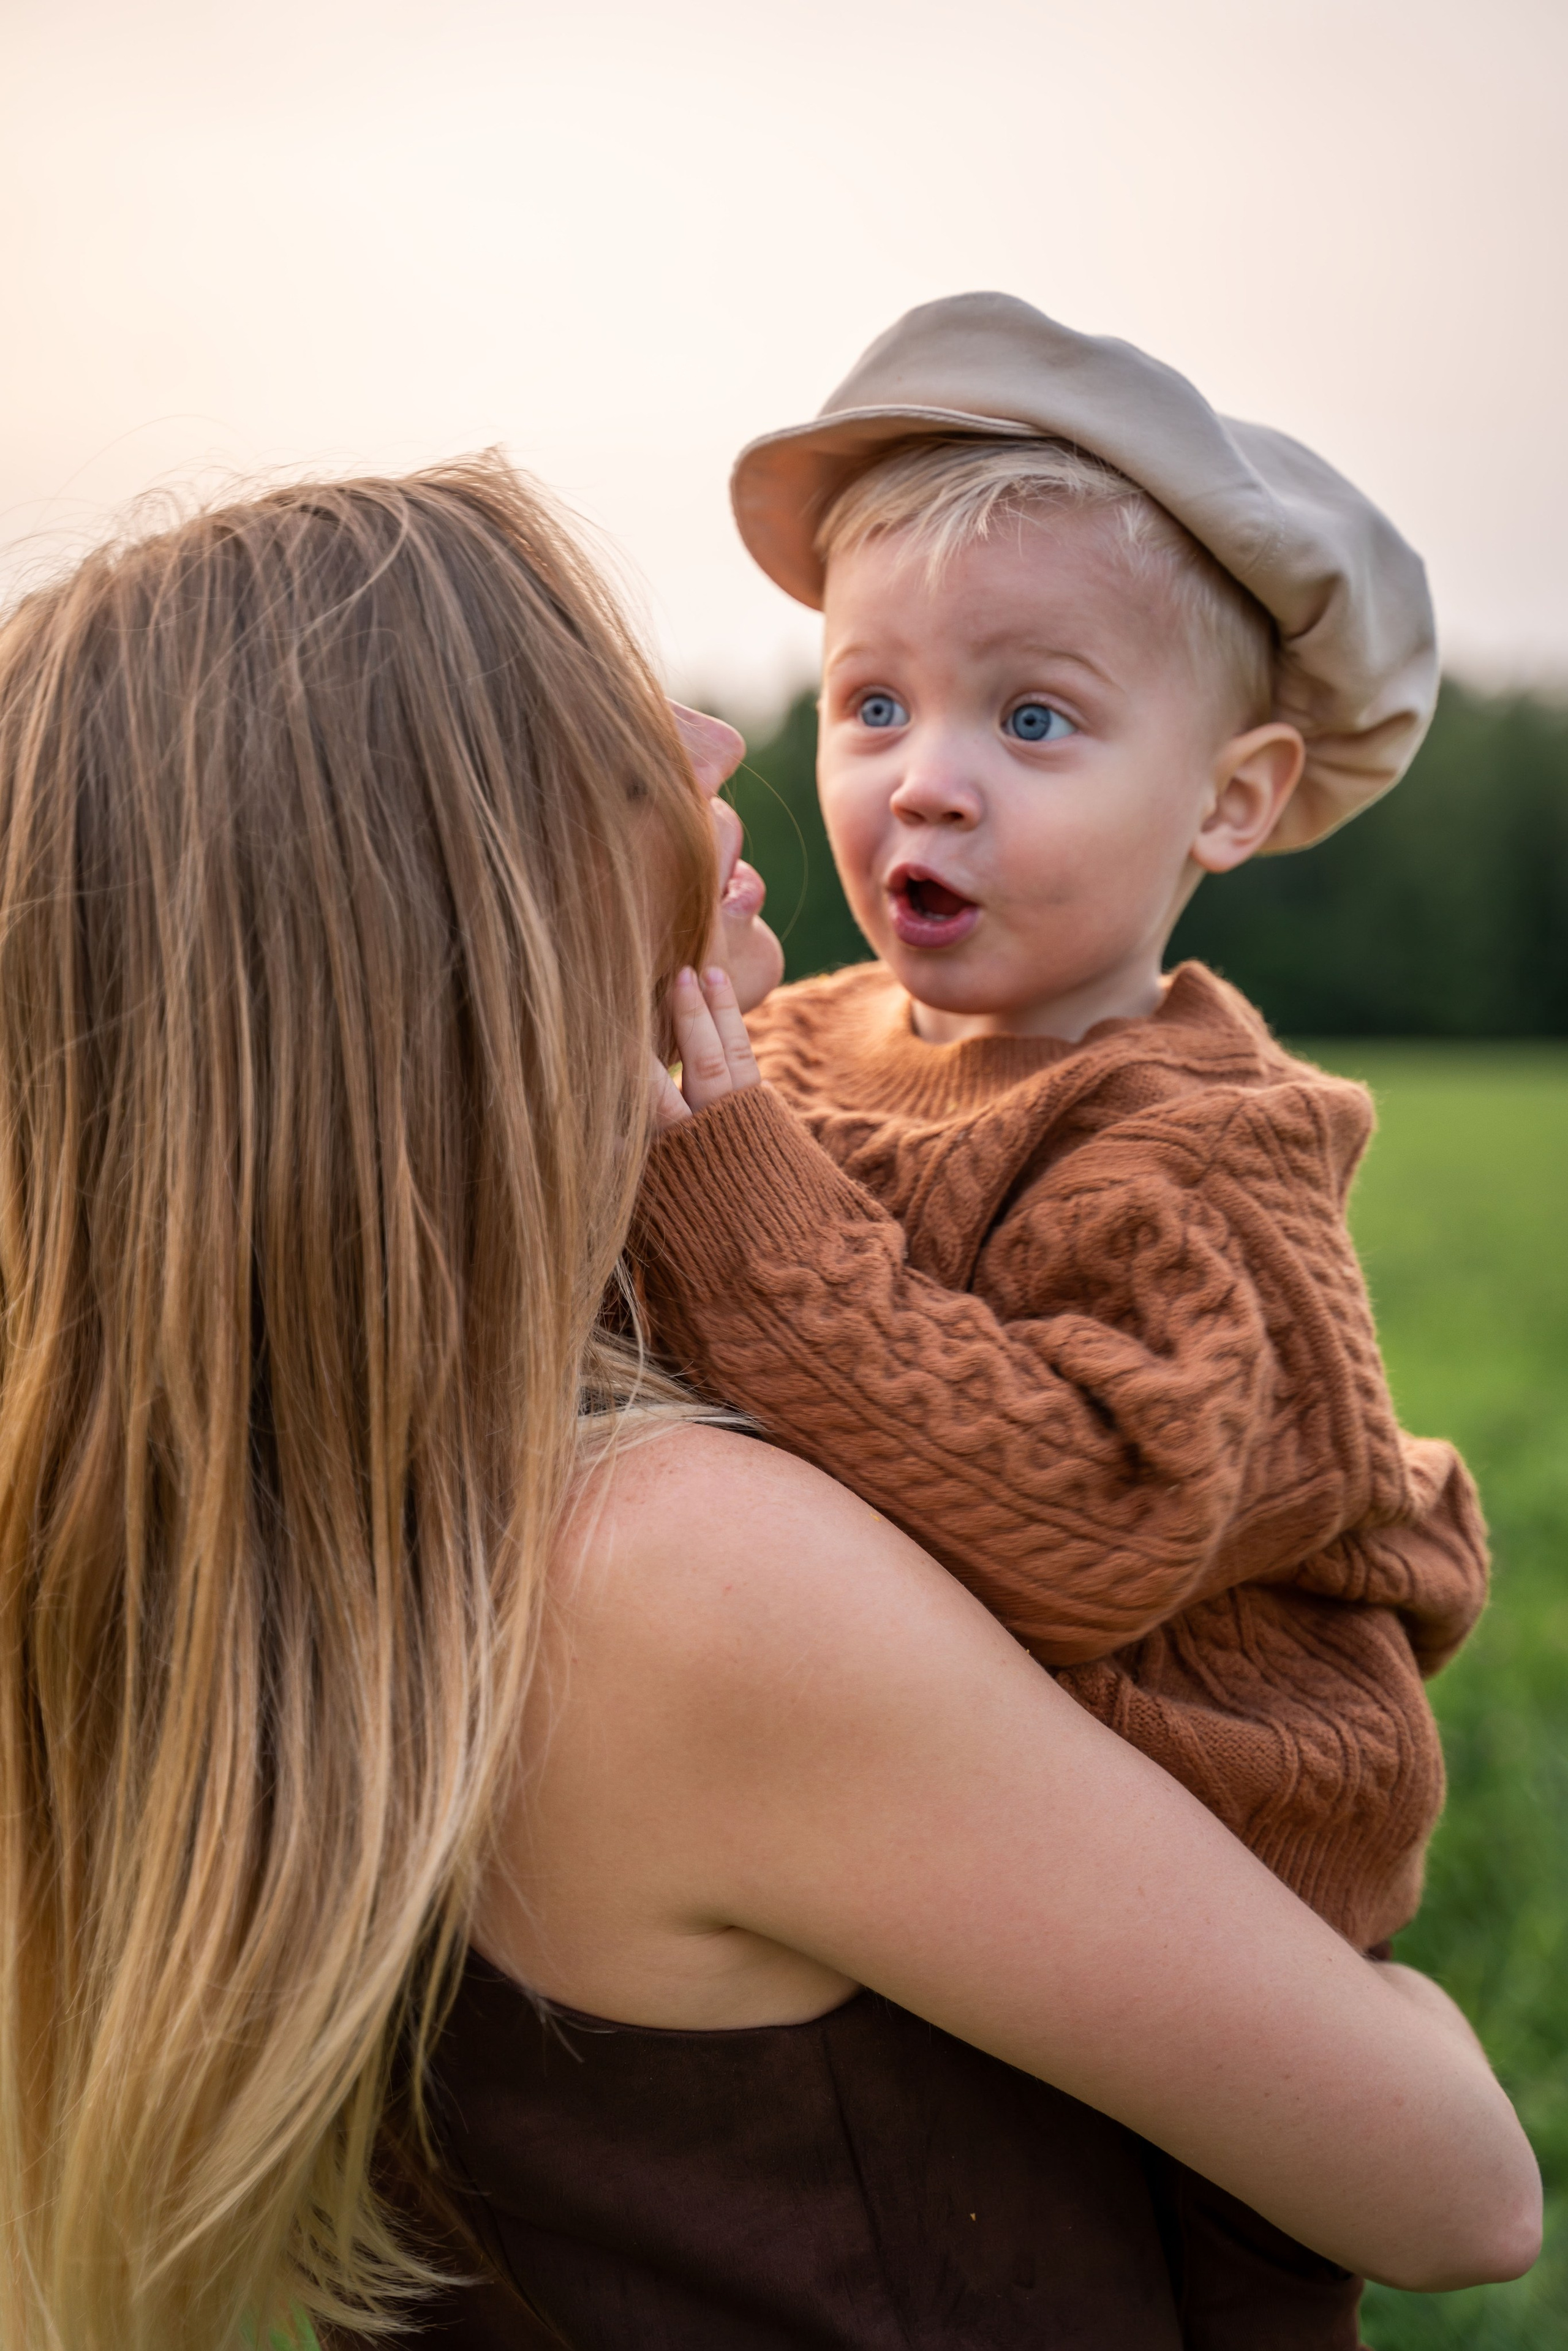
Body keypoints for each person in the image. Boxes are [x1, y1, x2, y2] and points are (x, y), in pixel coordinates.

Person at [0, 458, 1536, 2351]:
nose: (730, 741)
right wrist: (1408, 2015)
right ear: (468, 895)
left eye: (1029, 716)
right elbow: (1463, 2191)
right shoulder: (677, 1574)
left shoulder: (345, 1481)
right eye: (609, 722)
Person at [635, 292, 1496, 2342]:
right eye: (874, 706)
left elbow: (1086, 1522)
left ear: (1231, 800)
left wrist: (718, 1172)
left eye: (1033, 723)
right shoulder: (804, 1046)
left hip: (1202, 1895)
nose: (925, 784)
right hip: (925, 1837)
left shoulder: (1203, 1148)